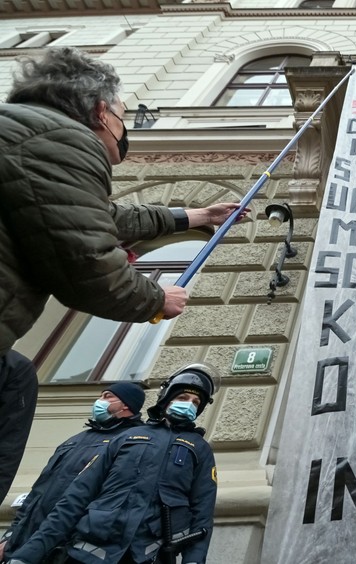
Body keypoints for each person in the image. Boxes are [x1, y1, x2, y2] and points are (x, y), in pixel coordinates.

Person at [0, 46, 246, 503]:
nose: (123, 127)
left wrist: (192, 215)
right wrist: (155, 300)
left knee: (15, 374)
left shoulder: (24, 134)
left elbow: (99, 217)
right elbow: (87, 264)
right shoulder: (64, 140)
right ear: (100, 111)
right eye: (122, 114)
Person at [6, 364, 219, 564]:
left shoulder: (199, 448)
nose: (189, 404)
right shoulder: (129, 436)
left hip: (149, 555)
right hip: (88, 553)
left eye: (195, 402)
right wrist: (28, 554)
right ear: (167, 398)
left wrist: (194, 560)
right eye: (183, 397)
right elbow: (76, 497)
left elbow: (203, 512)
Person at [0, 382, 147, 563]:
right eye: (100, 396)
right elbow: (37, 493)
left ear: (126, 404)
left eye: (107, 396)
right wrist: (10, 536)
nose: (99, 401)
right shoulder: (76, 439)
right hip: (26, 542)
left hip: (67, 549)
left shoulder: (131, 442)